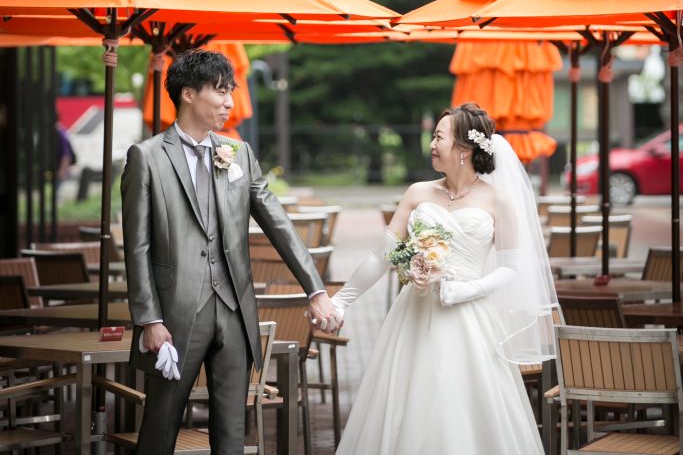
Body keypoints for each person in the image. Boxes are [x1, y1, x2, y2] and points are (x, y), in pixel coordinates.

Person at [121, 48, 340, 455]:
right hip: (174, 316)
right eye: (220, 92)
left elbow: (277, 223)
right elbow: (136, 246)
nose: (229, 103)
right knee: (160, 427)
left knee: (232, 432)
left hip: (236, 312)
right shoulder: (147, 158)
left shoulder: (237, 154)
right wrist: (149, 318)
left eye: (231, 92)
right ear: (188, 94)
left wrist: (316, 289)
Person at [332, 102, 558, 455]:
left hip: (470, 319)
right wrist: (340, 301)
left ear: (465, 149)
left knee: (461, 405)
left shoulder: (499, 201)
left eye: (438, 137)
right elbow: (383, 255)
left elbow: (512, 268)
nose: (431, 144)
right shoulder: (417, 193)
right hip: (414, 315)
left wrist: (466, 289)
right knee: (410, 402)